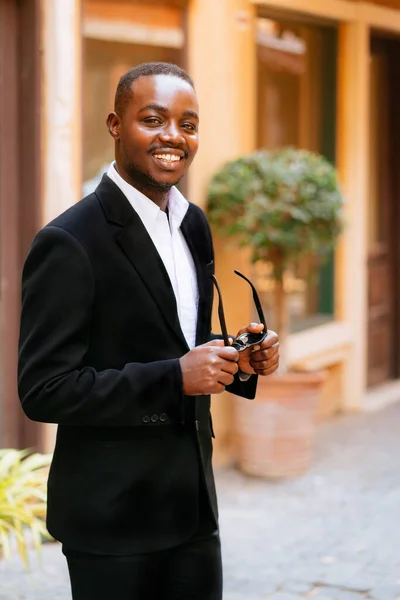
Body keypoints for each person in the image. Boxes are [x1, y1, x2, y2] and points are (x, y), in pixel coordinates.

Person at [18, 62, 279, 600]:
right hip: (113, 520)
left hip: (193, 507)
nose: (173, 138)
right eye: (153, 119)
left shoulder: (193, 223)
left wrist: (236, 358)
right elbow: (43, 390)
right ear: (116, 125)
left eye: (188, 124)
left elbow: (177, 342)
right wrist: (174, 377)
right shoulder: (69, 241)